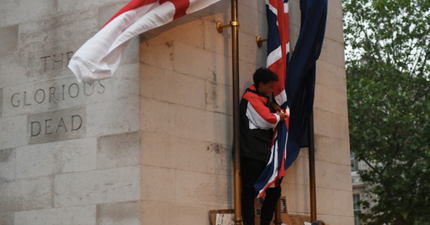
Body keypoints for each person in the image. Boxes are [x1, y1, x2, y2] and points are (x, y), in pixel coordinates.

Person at [240, 68, 286, 225]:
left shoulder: (261, 99)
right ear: (261, 84)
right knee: (249, 191)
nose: (272, 90)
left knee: (274, 191)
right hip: (252, 153)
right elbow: (266, 120)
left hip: (264, 154)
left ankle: (264, 223)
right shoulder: (250, 98)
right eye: (270, 86)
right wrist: (278, 116)